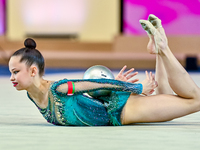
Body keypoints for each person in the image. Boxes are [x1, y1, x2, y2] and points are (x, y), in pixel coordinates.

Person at [8, 14, 200, 126]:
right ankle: (158, 51)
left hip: (124, 111)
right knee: (166, 100)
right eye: (11, 72)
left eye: (16, 72)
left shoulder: (59, 88)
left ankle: (164, 48)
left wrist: (136, 88)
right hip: (115, 106)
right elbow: (88, 98)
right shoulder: (32, 95)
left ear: (33, 71)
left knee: (196, 101)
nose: (12, 77)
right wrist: (112, 89)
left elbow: (96, 83)